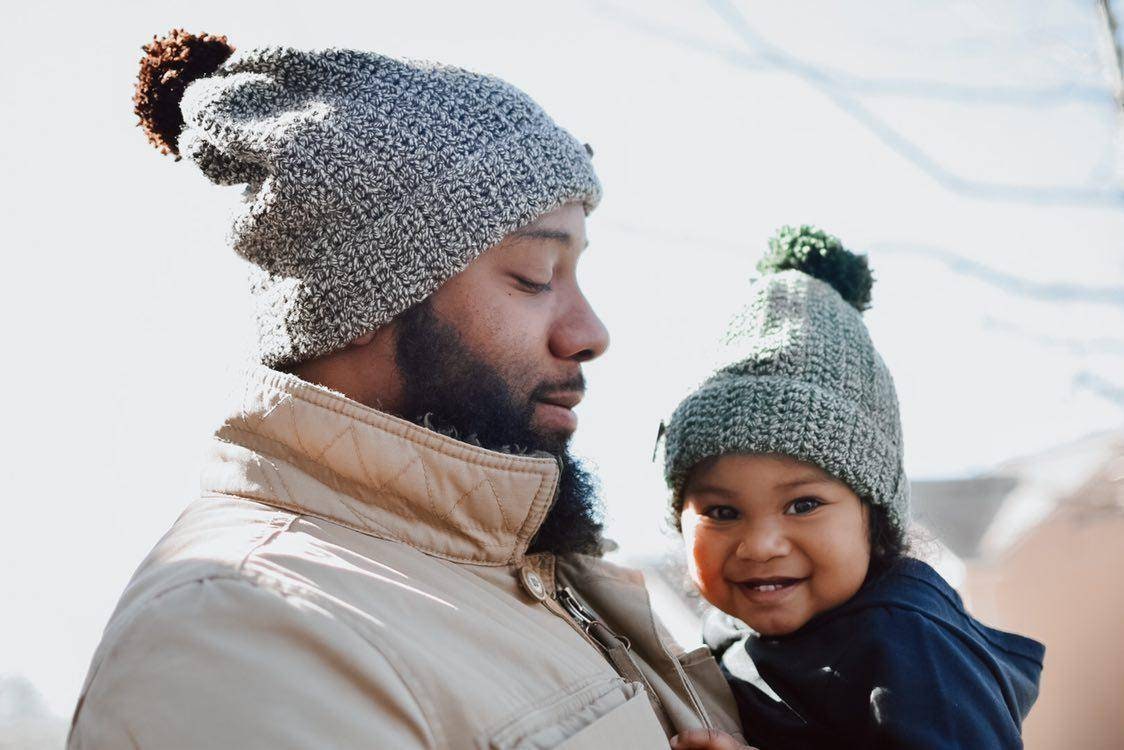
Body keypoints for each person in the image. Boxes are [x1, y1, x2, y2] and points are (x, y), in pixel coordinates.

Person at [69, 30, 744, 749]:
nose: (590, 332)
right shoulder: (240, 629)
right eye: (534, 277)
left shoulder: (536, 574)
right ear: (361, 302)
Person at [661, 227, 1045, 749]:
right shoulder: (722, 639)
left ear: (875, 517)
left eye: (803, 504)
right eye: (722, 512)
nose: (761, 545)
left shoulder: (908, 645)